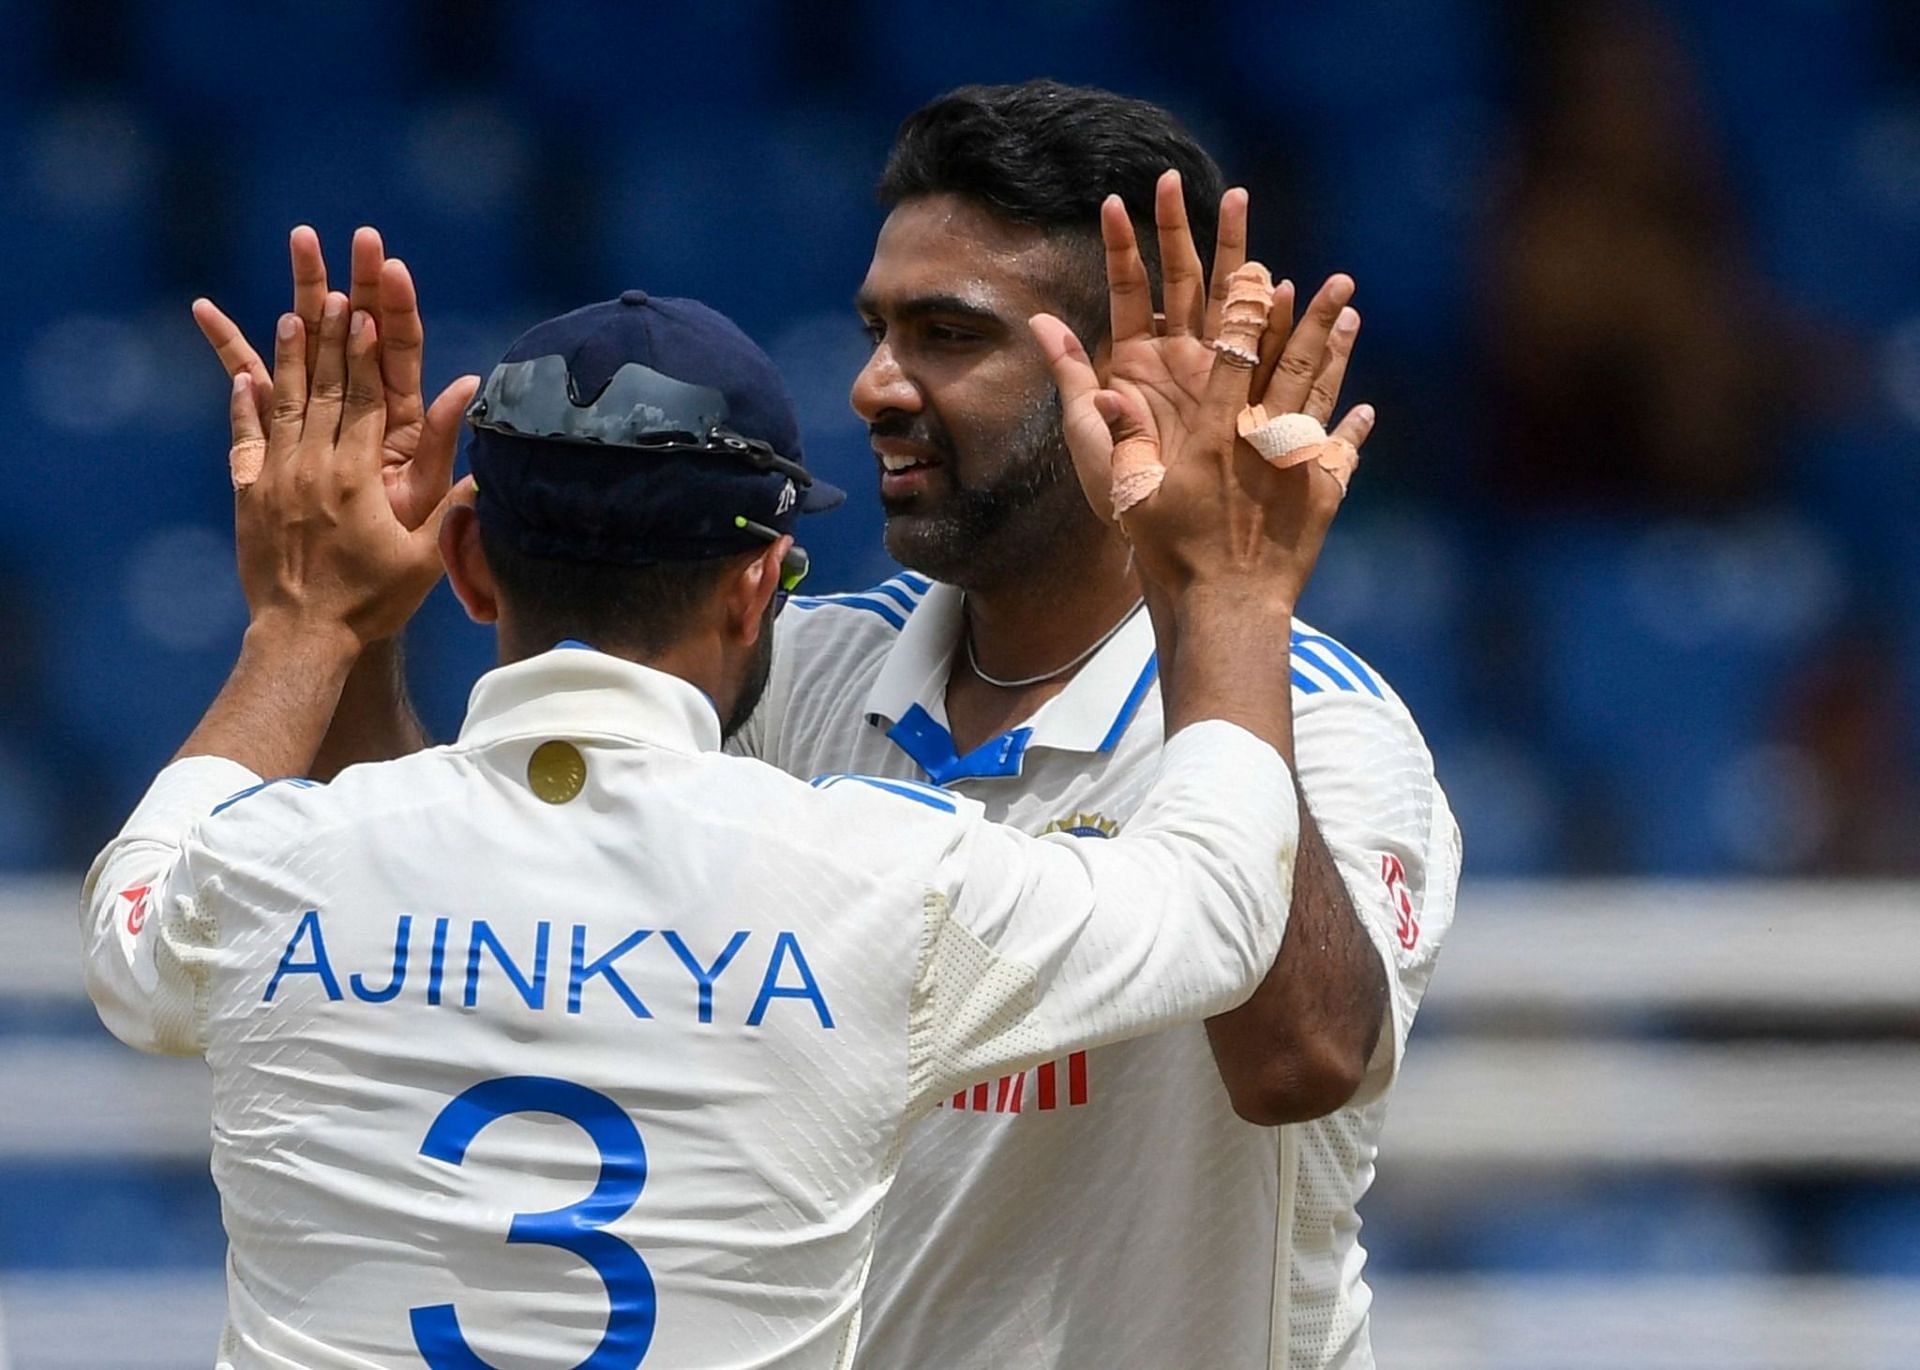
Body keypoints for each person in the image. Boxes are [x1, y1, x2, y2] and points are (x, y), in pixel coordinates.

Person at [192, 80, 1460, 1370]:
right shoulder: (791, 666)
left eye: (948, 338)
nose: (873, 387)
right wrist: (350, 636)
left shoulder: (1315, 718)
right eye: (876, 328)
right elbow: (457, 892)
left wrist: (1212, 593)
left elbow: (1303, 1062)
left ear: (1132, 378)